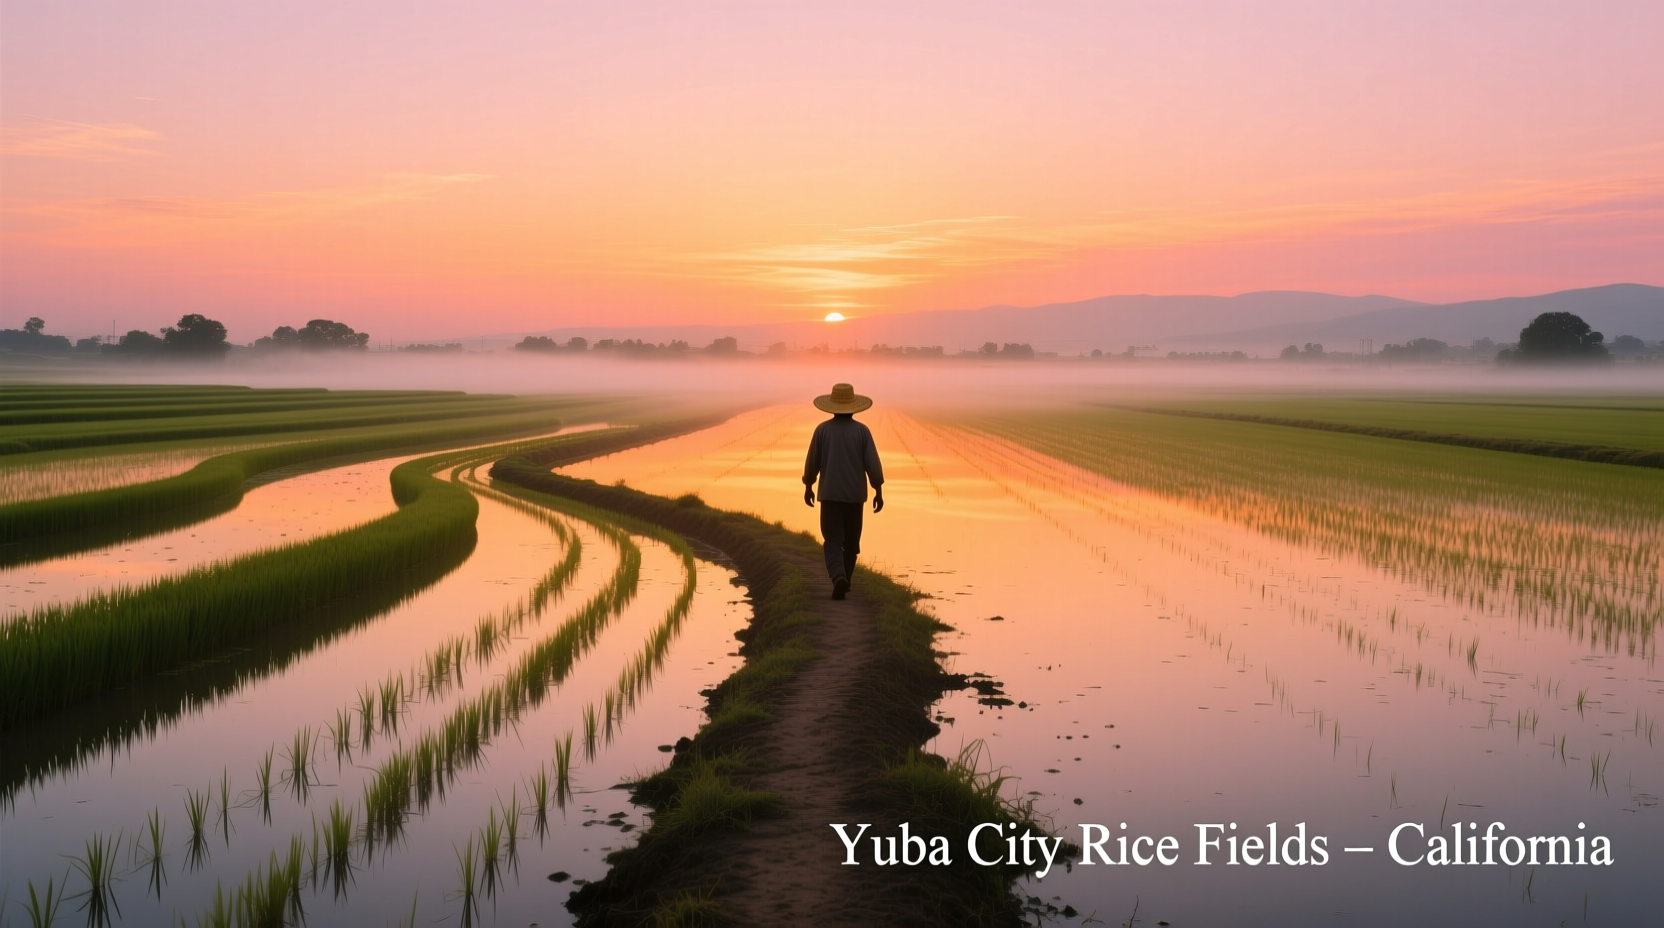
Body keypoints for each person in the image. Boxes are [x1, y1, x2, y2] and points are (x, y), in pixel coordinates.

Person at [802, 383, 885, 600]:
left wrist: (809, 485)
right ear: (853, 406)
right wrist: (878, 490)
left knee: (832, 539)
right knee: (851, 543)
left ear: (832, 406)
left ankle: (838, 577)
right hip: (855, 497)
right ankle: (845, 578)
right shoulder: (862, 431)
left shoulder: (822, 430)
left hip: (829, 495)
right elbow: (873, 465)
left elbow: (812, 462)